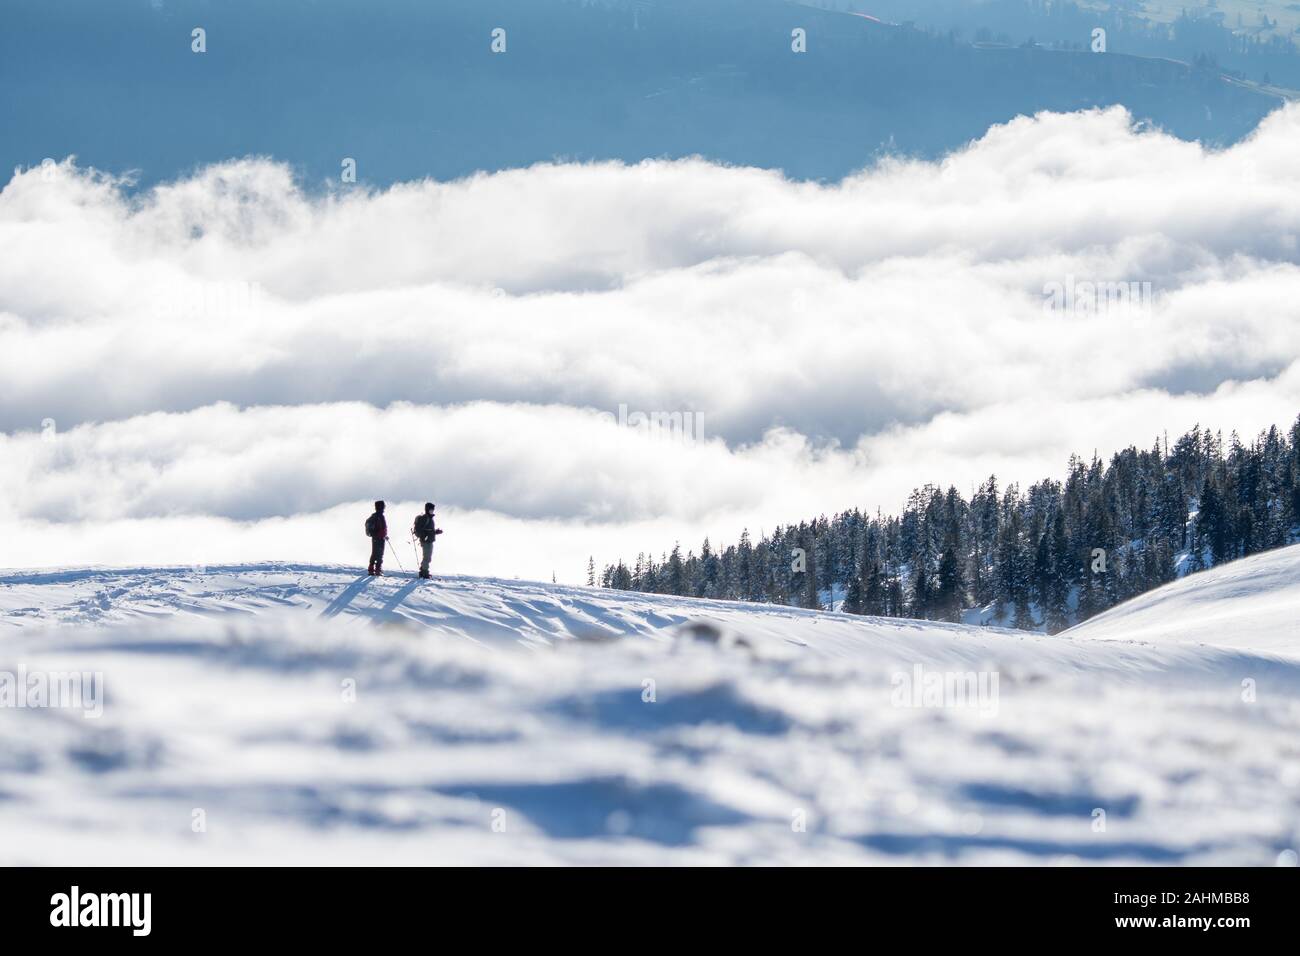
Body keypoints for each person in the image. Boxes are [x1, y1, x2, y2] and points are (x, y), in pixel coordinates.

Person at [412, 502, 443, 579]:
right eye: (431, 510)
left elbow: (429, 531)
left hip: (429, 540)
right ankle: (424, 573)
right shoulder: (425, 518)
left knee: (427, 557)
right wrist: (426, 536)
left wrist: (436, 532)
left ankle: (423, 571)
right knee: (427, 557)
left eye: (433, 510)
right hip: (426, 541)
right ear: (427, 510)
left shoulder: (429, 518)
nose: (432, 511)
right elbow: (422, 531)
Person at [364, 500, 388, 576]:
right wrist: (383, 534)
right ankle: (377, 569)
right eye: (383, 506)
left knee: (375, 553)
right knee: (379, 554)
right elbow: (383, 528)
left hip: (377, 537)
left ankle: (372, 569)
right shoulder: (380, 516)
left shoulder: (375, 516)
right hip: (379, 538)